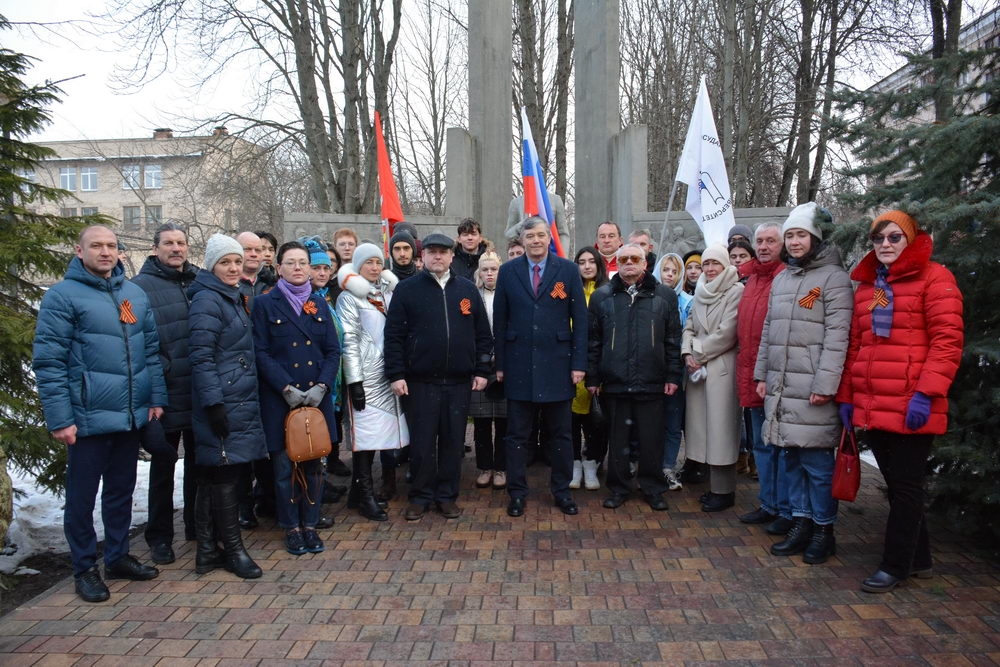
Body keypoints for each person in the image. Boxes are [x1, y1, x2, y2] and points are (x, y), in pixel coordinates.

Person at [33, 225, 168, 603]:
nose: (105, 252)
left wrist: (153, 398)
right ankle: (84, 568)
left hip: (129, 415)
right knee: (82, 497)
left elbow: (150, 352)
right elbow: (49, 362)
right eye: (97, 246)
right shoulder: (62, 297)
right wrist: (60, 418)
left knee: (121, 492)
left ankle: (118, 556)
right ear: (79, 251)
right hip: (87, 418)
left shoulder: (133, 295)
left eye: (111, 246)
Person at [835, 210, 963, 593]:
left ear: (910, 239)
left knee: (906, 488)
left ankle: (895, 565)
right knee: (896, 485)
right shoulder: (871, 286)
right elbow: (859, 345)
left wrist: (926, 393)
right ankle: (918, 557)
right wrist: (848, 396)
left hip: (911, 404)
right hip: (874, 403)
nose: (885, 245)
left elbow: (947, 342)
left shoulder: (935, 278)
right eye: (878, 239)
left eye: (894, 237)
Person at [754, 202, 853, 564]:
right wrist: (762, 374)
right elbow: (769, 329)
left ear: (816, 237)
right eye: (791, 235)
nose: (795, 242)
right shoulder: (783, 278)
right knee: (791, 459)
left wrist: (826, 383)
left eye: (802, 235)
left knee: (816, 465)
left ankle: (823, 529)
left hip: (812, 389)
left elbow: (837, 335)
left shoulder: (834, 279)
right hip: (782, 386)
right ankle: (800, 522)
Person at [385, 233, 492, 521]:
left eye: (443, 252)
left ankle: (446, 496)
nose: (437, 257)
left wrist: (482, 370)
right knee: (421, 443)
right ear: (423, 257)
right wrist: (396, 374)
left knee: (453, 442)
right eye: (431, 252)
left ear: (451, 256)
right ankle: (420, 496)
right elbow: (393, 335)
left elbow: (483, 334)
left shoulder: (467, 290)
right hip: (420, 382)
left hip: (458, 382)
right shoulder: (407, 290)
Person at [493, 217, 588, 518]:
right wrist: (500, 363)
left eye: (541, 235)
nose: (535, 241)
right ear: (521, 240)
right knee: (517, 435)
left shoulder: (568, 270)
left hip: (558, 365)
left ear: (550, 238)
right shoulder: (508, 272)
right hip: (519, 364)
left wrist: (579, 363)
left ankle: (562, 492)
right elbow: (500, 320)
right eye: (529, 236)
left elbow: (581, 321)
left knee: (561, 435)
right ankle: (517, 493)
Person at [251, 241, 341, 555]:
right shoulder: (264, 304)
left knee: (315, 466)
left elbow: (333, 351)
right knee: (284, 469)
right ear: (279, 268)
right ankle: (291, 526)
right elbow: (260, 352)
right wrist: (285, 387)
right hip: (281, 399)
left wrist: (323, 387)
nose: (299, 268)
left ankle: (311, 525)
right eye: (291, 262)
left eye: (303, 262)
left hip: (316, 399)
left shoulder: (319, 302)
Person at [188, 234, 268, 579]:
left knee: (214, 476)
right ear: (212, 266)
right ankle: (232, 550)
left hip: (235, 397)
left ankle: (207, 551)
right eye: (226, 262)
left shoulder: (230, 297)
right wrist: (214, 403)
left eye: (237, 261)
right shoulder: (208, 300)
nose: (234, 267)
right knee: (224, 476)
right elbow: (201, 357)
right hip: (223, 400)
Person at [587, 245, 682, 511]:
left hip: (652, 380)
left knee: (652, 440)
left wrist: (673, 374)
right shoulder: (602, 297)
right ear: (616, 263)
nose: (629, 262)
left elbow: (673, 339)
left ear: (645, 263)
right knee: (618, 441)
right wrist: (593, 377)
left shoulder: (664, 296)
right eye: (623, 259)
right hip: (614, 381)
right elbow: (593, 341)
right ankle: (619, 488)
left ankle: (652, 487)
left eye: (635, 258)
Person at [131, 222, 199, 564]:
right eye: (169, 243)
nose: (176, 248)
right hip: (164, 394)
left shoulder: (199, 281)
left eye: (181, 243)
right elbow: (136, 343)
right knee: (163, 466)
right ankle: (159, 537)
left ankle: (195, 525)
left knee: (199, 466)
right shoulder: (139, 288)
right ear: (155, 248)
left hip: (199, 391)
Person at [336, 243, 407, 521]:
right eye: (368, 263)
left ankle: (357, 492)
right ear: (358, 265)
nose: (375, 268)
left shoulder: (389, 292)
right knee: (364, 439)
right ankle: (364, 495)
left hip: (387, 375)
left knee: (381, 435)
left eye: (378, 262)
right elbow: (349, 340)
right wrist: (354, 380)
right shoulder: (349, 298)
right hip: (364, 377)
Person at [734, 222, 790, 535]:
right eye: (761, 241)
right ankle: (768, 504)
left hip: (776, 379)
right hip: (750, 374)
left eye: (771, 240)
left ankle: (784, 508)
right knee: (760, 446)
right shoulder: (752, 277)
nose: (765, 246)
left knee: (778, 446)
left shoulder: (786, 277)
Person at [681, 244, 744, 512]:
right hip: (699, 370)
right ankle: (711, 485)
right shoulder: (700, 292)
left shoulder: (736, 291)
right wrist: (686, 352)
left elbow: (728, 332)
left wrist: (698, 351)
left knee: (721, 432)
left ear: (725, 265)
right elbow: (690, 326)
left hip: (721, 369)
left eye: (714, 264)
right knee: (704, 430)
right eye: (705, 264)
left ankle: (724, 490)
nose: (708, 269)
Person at [651, 252, 694, 490]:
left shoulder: (687, 302)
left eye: (674, 271)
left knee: (672, 421)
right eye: (665, 270)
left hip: (675, 370)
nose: (669, 275)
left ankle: (668, 466)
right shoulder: (650, 297)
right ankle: (649, 465)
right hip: (652, 370)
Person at [570, 247, 609, 491]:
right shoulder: (568, 292)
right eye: (581, 262)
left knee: (598, 421)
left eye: (591, 262)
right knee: (571, 420)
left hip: (599, 364)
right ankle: (574, 463)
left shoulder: (607, 292)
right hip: (572, 365)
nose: (586, 266)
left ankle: (593, 463)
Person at [469, 252, 508, 490]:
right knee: (482, 421)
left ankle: (501, 468)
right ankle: (485, 467)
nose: (490, 273)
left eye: (494, 269)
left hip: (504, 366)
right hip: (480, 365)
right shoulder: (473, 296)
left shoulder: (508, 295)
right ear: (479, 273)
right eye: (485, 270)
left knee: (504, 421)